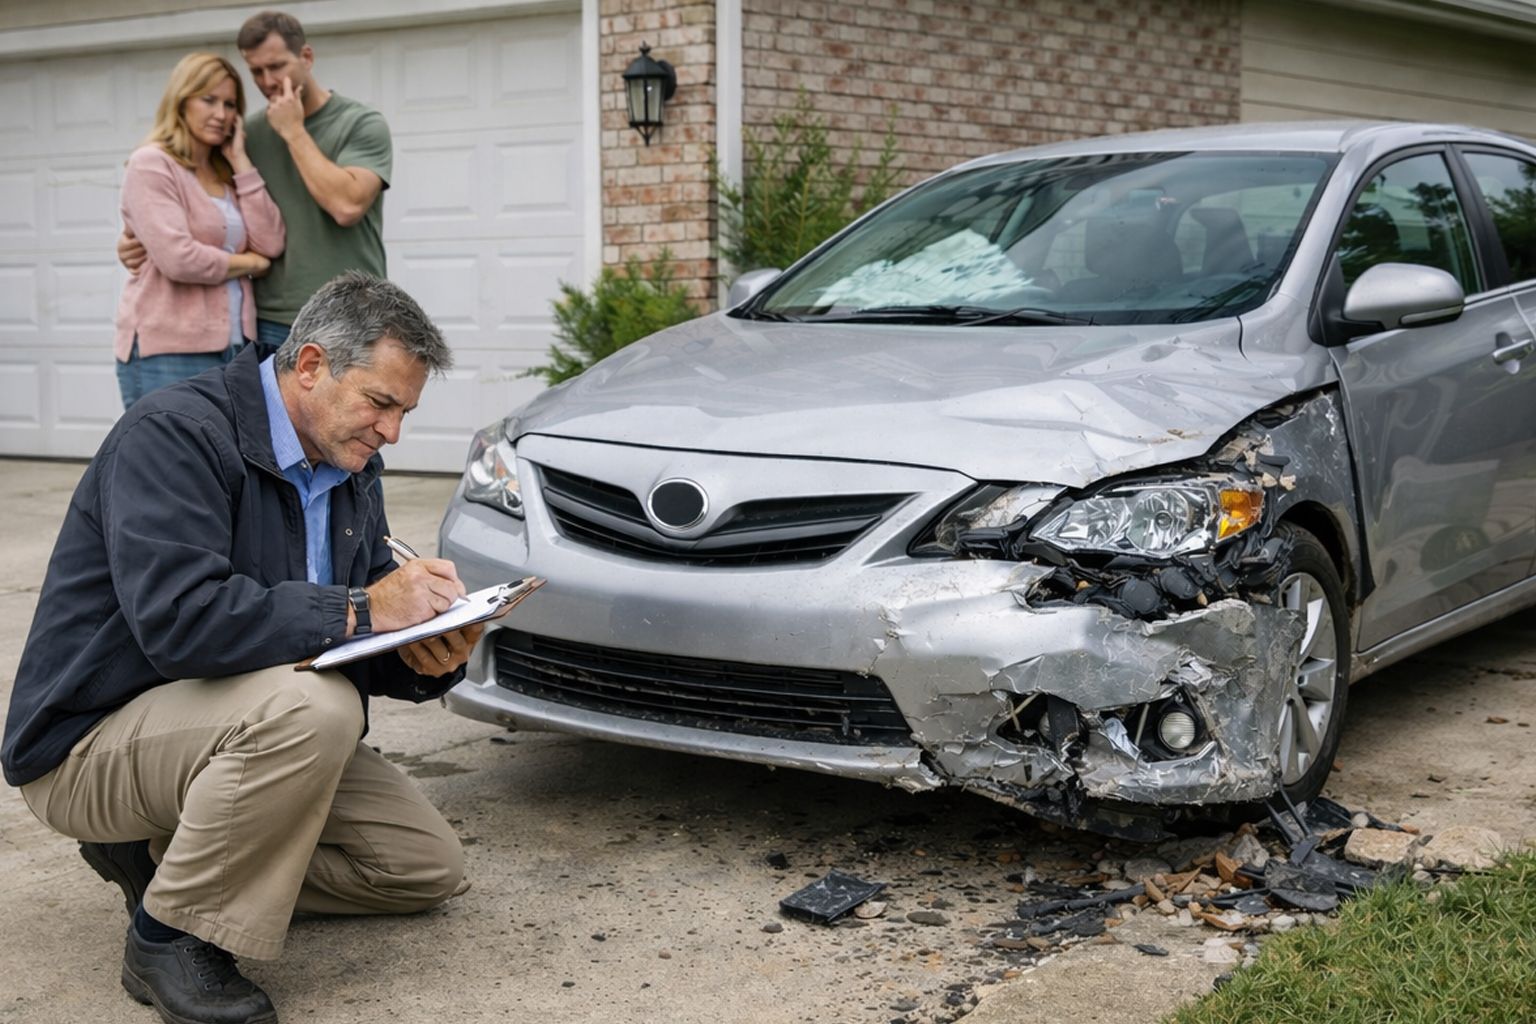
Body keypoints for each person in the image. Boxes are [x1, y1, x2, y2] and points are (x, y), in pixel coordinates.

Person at [3, 272, 479, 1024]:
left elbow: (350, 630)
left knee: (421, 868)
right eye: (381, 404)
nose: (392, 432)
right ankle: (171, 937)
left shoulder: (350, 465)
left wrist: (428, 649)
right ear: (313, 364)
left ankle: (161, 862)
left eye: (404, 412)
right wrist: (363, 608)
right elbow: (180, 621)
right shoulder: (174, 434)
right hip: (89, 742)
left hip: (247, 728)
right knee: (316, 707)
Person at [121, 10, 392, 360]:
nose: (267, 81)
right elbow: (203, 206)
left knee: (355, 414)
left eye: (276, 66)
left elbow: (347, 206)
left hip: (351, 314)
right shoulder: (242, 136)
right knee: (267, 418)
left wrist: (293, 130)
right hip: (269, 321)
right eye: (256, 71)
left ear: (306, 58)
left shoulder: (361, 124)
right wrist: (133, 241)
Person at [115, 52, 284, 408]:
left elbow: (271, 241)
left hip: (236, 347)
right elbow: (178, 259)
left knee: (222, 460)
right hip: (170, 350)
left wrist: (240, 162)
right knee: (165, 461)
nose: (221, 114)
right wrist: (251, 265)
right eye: (208, 100)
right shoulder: (152, 164)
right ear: (181, 101)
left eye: (229, 104)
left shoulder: (228, 174)